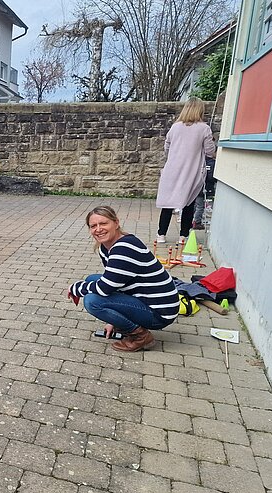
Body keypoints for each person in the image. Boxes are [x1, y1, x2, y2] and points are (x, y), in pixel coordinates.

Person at [68, 206, 179, 352]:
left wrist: (75, 288)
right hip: (144, 299)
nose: (98, 229)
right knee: (91, 280)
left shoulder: (124, 247)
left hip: (160, 312)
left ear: (116, 223)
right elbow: (116, 283)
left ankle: (140, 336)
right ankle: (126, 323)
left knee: (92, 301)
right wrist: (112, 320)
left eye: (104, 223)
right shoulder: (105, 247)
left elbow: (105, 288)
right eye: (93, 226)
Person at [156, 97, 216, 243]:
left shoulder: (175, 127)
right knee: (189, 202)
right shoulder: (204, 128)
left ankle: (161, 235)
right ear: (200, 110)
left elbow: (167, 148)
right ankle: (183, 236)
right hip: (192, 170)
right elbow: (209, 151)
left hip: (172, 169)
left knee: (168, 203)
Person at [192, 152, 217, 230]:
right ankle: (197, 221)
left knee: (196, 205)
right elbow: (211, 177)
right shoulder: (211, 163)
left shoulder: (199, 161)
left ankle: (193, 219)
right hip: (205, 187)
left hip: (197, 187)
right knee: (200, 206)